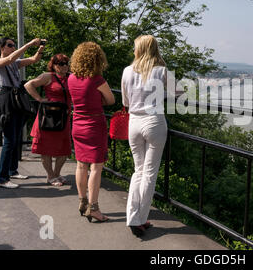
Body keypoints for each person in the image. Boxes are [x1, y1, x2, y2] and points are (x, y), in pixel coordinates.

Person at [121, 35, 170, 237]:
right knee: (149, 174)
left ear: (139, 49)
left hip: (134, 122)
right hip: (154, 122)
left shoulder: (126, 71)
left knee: (138, 171)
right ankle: (139, 219)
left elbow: (125, 100)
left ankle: (133, 217)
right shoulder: (162, 71)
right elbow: (179, 94)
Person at [68, 42, 115, 222]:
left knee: (81, 165)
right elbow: (111, 100)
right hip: (94, 125)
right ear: (97, 59)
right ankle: (94, 208)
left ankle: (82, 201)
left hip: (77, 125)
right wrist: (98, 101)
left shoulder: (71, 78)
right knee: (96, 167)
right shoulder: (97, 80)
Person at [0, 37, 45, 189]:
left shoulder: (14, 64)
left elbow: (34, 59)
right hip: (7, 99)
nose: (12, 47)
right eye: (9, 45)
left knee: (15, 138)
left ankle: (12, 170)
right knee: (9, 140)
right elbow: (9, 59)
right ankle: (2, 178)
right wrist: (28, 44)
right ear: (2, 47)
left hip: (16, 99)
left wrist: (40, 47)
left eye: (14, 45)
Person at [24, 53, 71, 186]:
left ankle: (57, 173)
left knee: (64, 147)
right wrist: (39, 99)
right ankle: (50, 175)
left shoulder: (71, 77)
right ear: (54, 66)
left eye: (66, 63)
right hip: (48, 117)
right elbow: (28, 85)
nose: (64, 66)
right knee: (46, 148)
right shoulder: (47, 76)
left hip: (64, 117)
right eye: (61, 64)